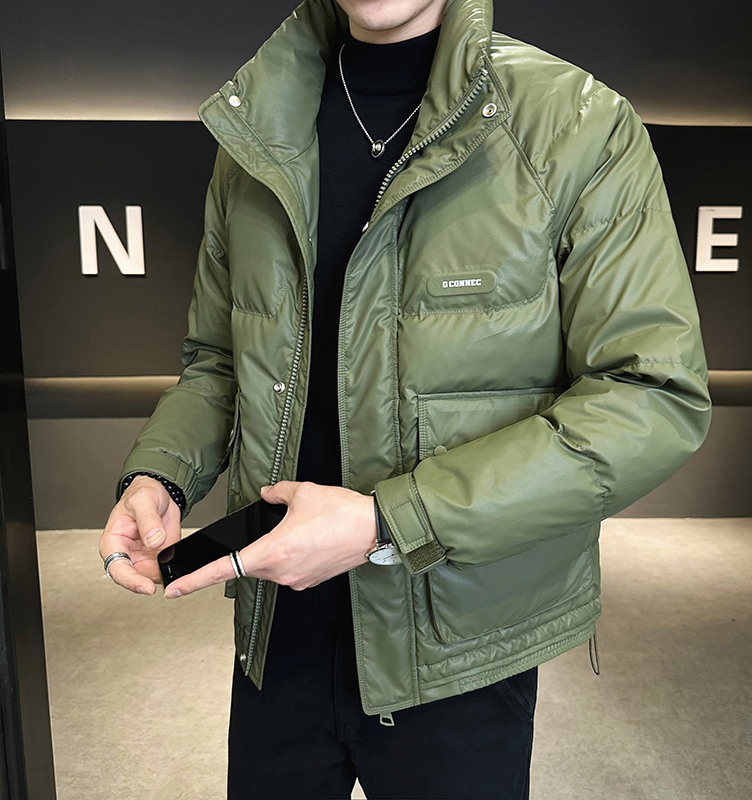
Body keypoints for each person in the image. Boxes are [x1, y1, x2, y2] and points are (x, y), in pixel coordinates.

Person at [98, 0, 712, 797]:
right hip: (278, 629)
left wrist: (389, 521)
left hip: (458, 643)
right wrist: (161, 475)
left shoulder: (575, 124)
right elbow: (220, 361)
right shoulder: (257, 126)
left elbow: (650, 394)